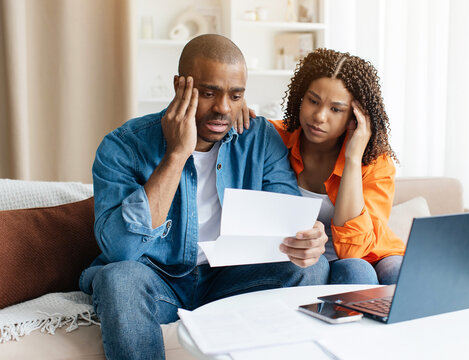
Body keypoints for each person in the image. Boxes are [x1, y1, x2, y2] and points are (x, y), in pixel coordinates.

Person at [79, 34, 329, 360]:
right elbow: (121, 250)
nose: (223, 108)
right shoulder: (124, 146)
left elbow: (287, 217)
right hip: (158, 283)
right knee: (118, 279)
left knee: (312, 267)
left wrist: (307, 239)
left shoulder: (259, 138)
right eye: (209, 93)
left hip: (229, 282)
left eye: (235, 95)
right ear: (179, 86)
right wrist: (176, 154)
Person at [236, 48, 405, 285]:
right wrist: (233, 107)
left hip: (369, 253)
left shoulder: (374, 161)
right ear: (300, 97)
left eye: (336, 109)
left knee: (395, 272)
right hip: (303, 261)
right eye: (313, 101)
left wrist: (353, 158)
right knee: (356, 271)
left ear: (355, 117)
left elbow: (353, 249)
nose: (319, 116)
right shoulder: (274, 138)